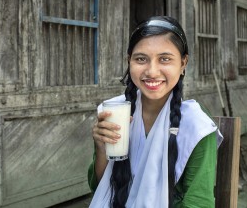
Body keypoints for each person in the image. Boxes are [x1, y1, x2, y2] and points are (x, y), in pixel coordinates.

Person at [88, 15, 223, 208]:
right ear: (129, 61)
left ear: (183, 63)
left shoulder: (196, 126)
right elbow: (100, 188)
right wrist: (101, 148)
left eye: (165, 59)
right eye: (141, 59)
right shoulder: (113, 112)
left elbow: (198, 202)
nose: (152, 71)